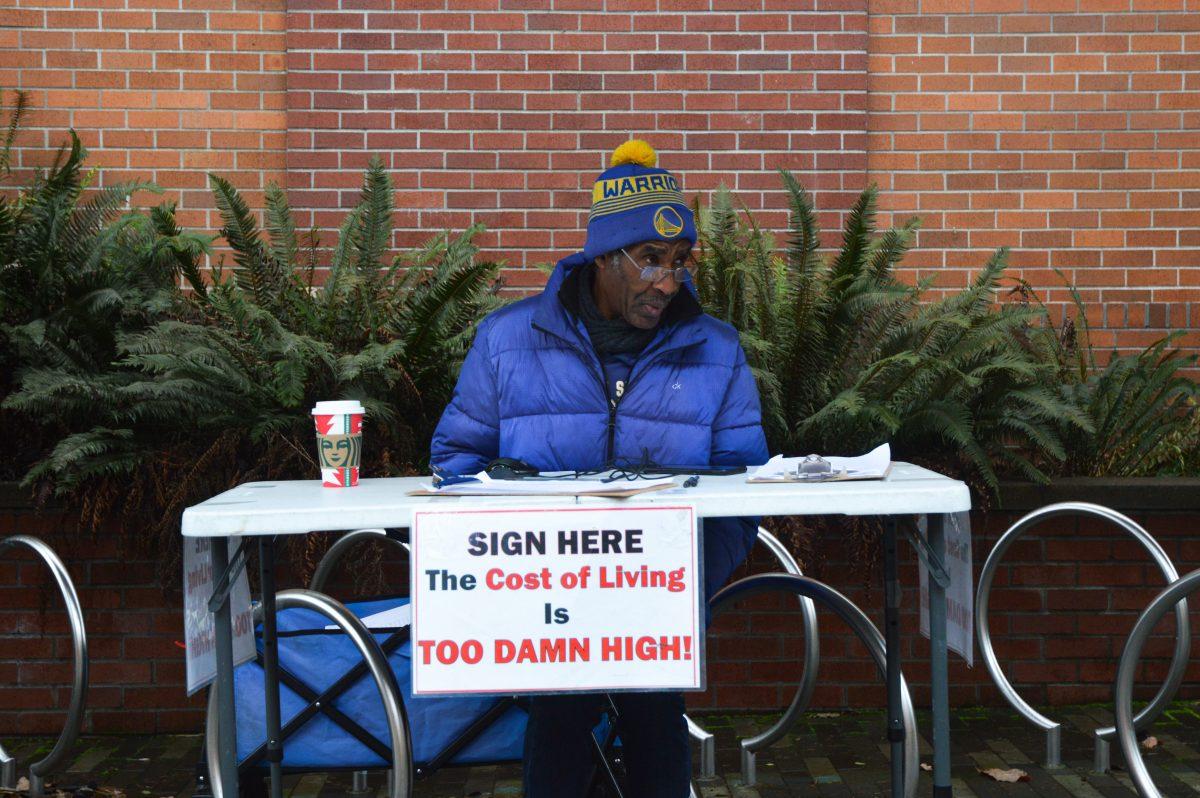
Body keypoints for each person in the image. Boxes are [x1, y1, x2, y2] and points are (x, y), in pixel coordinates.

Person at [430, 140, 769, 798]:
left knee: (658, 749)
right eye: (649, 261)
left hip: (657, 615)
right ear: (603, 257)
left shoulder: (717, 351)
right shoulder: (506, 342)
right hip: (549, 615)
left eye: (678, 262)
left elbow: (740, 489)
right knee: (556, 746)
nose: (668, 283)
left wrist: (680, 586)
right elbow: (455, 464)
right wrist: (519, 585)